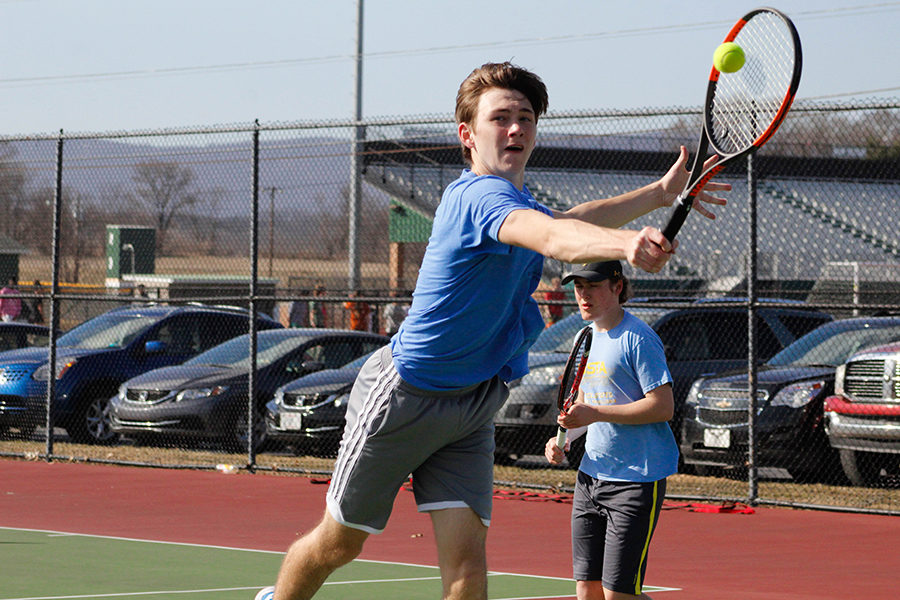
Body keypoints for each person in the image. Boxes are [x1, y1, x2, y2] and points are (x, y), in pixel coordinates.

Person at [259, 61, 727, 600]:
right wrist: (626, 246)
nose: (515, 129)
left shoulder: (519, 203)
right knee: (338, 545)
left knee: (467, 562)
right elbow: (554, 236)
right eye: (500, 117)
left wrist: (659, 193)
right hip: (406, 396)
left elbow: (572, 217)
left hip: (474, 403)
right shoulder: (474, 198)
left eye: (525, 118)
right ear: (468, 134)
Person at [544, 261, 677, 600]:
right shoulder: (584, 336)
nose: (583, 295)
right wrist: (565, 438)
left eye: (593, 286)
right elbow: (586, 399)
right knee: (587, 592)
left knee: (617, 595)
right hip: (590, 478)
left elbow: (663, 406)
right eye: (578, 287)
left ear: (617, 287)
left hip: (636, 480)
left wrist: (596, 412)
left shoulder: (639, 338)